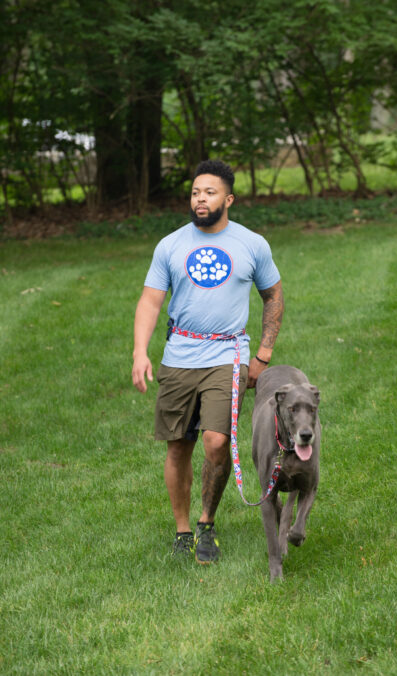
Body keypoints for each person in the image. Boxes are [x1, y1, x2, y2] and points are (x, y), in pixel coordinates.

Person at [132, 159, 284, 564]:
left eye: (210, 192)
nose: (201, 199)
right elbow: (150, 300)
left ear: (228, 199)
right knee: (178, 445)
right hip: (179, 354)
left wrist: (263, 354)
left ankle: (206, 523)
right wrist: (139, 352)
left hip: (227, 355)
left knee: (216, 443)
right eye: (196, 192)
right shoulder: (171, 245)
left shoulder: (252, 244)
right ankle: (182, 529)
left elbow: (273, 295)